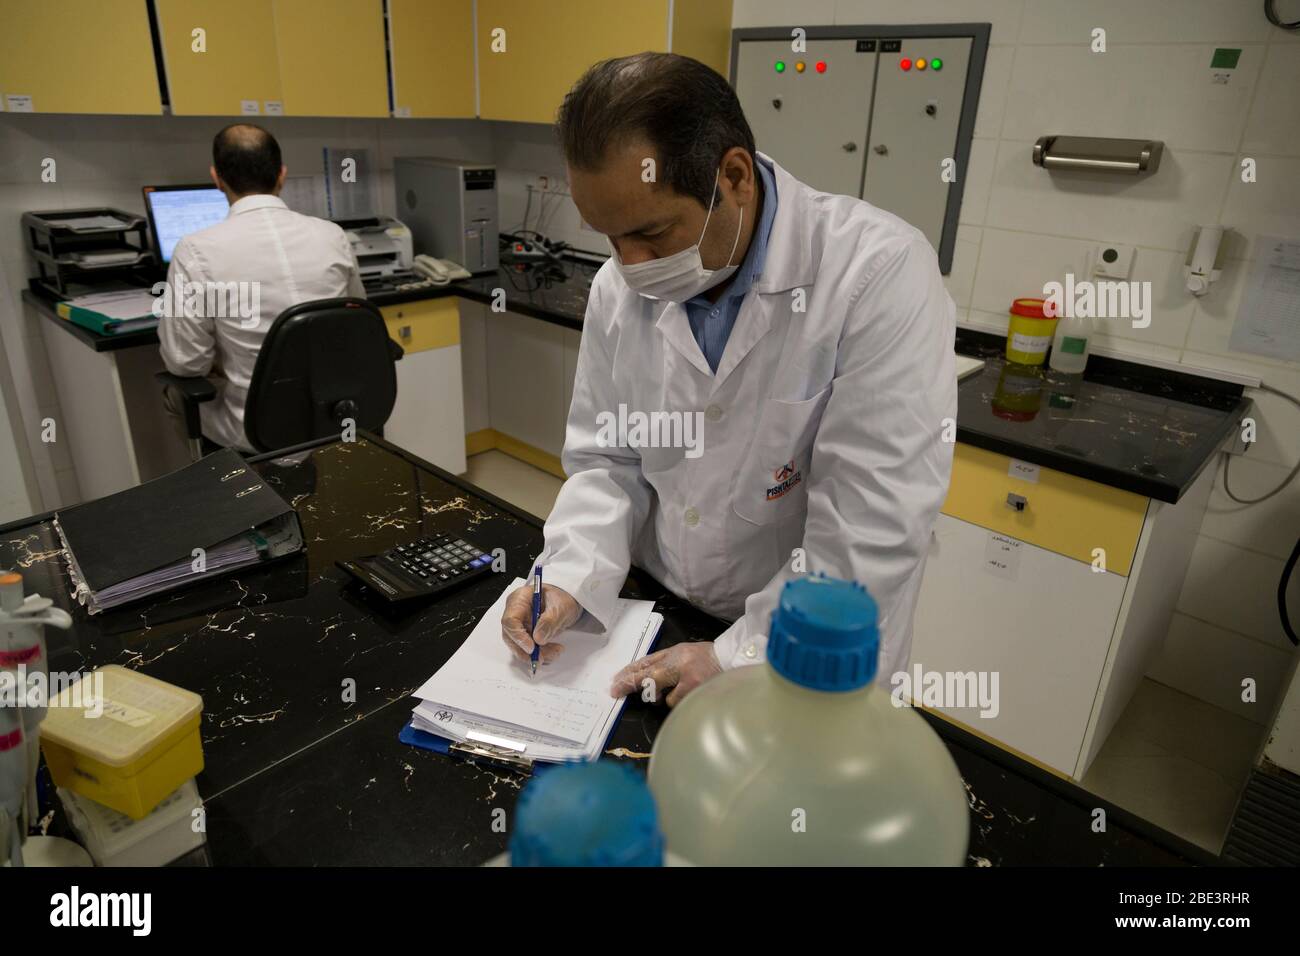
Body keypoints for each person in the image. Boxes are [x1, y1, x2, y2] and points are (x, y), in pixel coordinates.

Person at [501, 53, 956, 707]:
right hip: (666, 616)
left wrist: (735, 653)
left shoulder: (877, 275)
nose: (629, 267)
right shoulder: (618, 287)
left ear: (734, 176)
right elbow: (608, 459)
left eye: (652, 233)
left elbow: (869, 531)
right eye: (609, 239)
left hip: (802, 643)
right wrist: (571, 573)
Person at [158, 123, 364, 452]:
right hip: (333, 415)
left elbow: (184, 362)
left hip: (253, 432)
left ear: (217, 178)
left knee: (175, 396)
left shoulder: (195, 250)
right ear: (281, 175)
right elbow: (356, 321)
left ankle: (220, 491)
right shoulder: (332, 235)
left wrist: (221, 358)